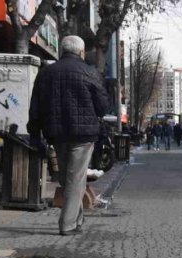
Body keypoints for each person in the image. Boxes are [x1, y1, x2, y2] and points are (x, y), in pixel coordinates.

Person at [27, 35, 109, 236]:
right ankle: (67, 223)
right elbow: (102, 107)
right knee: (75, 179)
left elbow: (36, 107)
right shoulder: (89, 72)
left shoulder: (46, 73)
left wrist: (35, 133)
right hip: (83, 135)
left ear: (62, 50)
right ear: (81, 52)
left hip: (56, 134)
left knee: (67, 178)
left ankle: (76, 219)